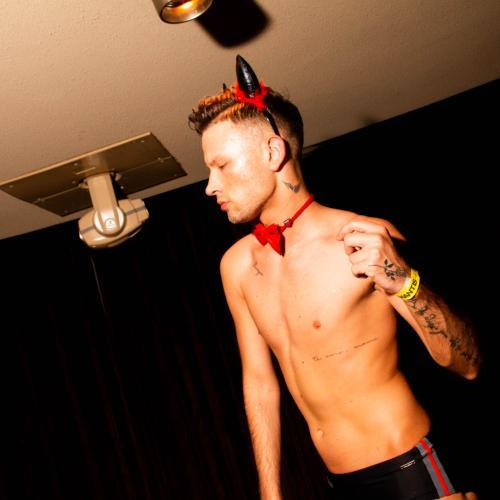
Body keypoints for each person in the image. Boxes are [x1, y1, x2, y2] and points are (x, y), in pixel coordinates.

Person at [188, 55, 481, 500]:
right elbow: (260, 384)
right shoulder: (237, 266)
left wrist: (404, 280)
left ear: (273, 152)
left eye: (222, 165)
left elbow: (467, 364)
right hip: (338, 483)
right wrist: (270, 493)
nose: (210, 185)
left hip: (412, 468)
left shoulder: (365, 238)